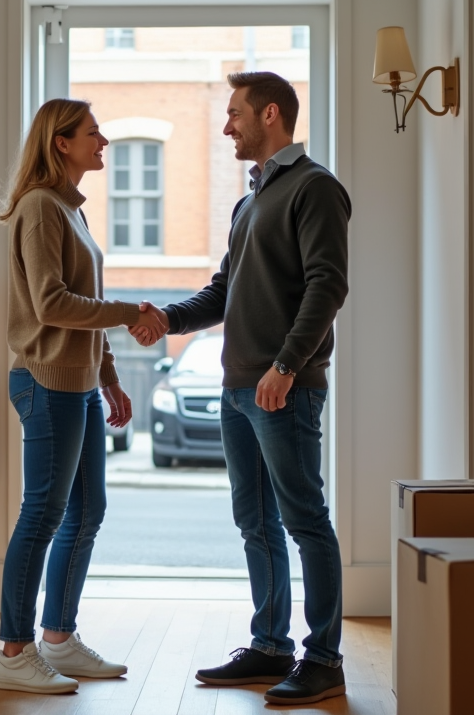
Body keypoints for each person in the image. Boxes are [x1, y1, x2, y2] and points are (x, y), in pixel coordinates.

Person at [133, 72, 351, 706]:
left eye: (235, 114)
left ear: (271, 114)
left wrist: (285, 366)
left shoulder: (316, 188)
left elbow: (327, 287)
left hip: (284, 387)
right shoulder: (248, 201)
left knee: (305, 520)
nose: (227, 126)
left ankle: (325, 657)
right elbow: (224, 293)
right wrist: (167, 321)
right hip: (237, 388)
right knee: (254, 522)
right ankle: (270, 644)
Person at [0, 98, 168, 694]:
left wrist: (111, 376)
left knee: (86, 512)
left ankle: (59, 640)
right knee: (43, 513)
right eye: (94, 133)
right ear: (61, 142)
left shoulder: (70, 211)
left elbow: (82, 299)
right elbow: (52, 304)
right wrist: (131, 314)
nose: (104, 143)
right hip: (45, 379)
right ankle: (14, 652)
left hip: (80, 380)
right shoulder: (41, 208)